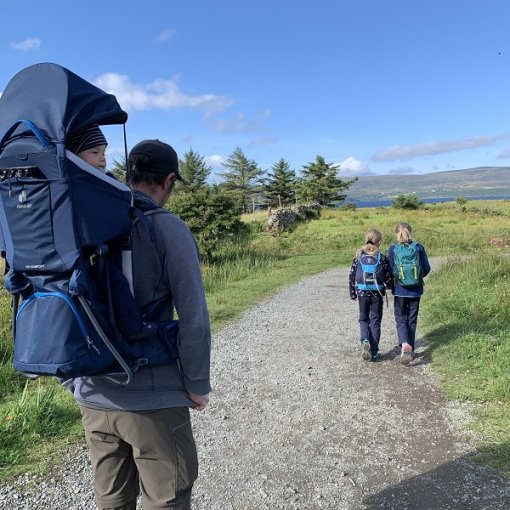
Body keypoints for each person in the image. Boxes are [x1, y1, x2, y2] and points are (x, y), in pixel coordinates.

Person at [66, 139, 212, 510]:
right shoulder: (168, 228)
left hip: (92, 394)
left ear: (129, 172)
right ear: (167, 180)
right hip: (153, 398)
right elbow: (194, 318)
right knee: (167, 498)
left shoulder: (83, 220)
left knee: (111, 500)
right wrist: (196, 384)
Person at [66, 124, 156, 340]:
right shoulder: (91, 184)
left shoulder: (64, 183)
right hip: (88, 255)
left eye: (104, 152)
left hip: (68, 257)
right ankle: (134, 327)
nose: (102, 159)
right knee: (116, 281)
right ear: (73, 155)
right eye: (94, 152)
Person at [387, 222, 431, 364]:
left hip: (399, 290)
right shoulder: (418, 247)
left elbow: (390, 269)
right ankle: (410, 350)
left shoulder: (393, 248)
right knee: (412, 319)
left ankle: (404, 343)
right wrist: (417, 277)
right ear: (410, 233)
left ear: (396, 234)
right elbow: (427, 268)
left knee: (401, 318)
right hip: (416, 291)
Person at [349, 228, 393, 361]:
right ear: (378, 242)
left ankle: (364, 341)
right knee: (375, 321)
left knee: (363, 319)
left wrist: (353, 293)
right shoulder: (381, 257)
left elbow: (352, 276)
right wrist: (391, 286)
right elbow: (387, 275)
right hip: (377, 293)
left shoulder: (358, 255)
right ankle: (374, 351)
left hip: (362, 292)